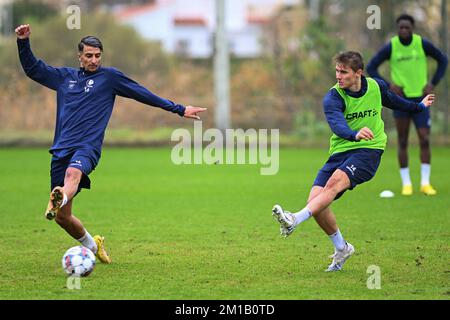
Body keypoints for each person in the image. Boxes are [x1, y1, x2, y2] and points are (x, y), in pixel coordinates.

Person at [15, 24, 206, 264]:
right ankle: (93, 245)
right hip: (61, 148)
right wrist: (23, 42)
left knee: (73, 173)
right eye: (89, 56)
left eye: (97, 56)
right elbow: (33, 69)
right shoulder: (64, 78)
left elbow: (142, 93)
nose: (94, 60)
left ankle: (60, 195)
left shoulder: (109, 78)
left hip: (87, 148)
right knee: (64, 219)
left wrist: (180, 109)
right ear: (79, 56)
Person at [272, 51, 435, 272]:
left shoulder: (376, 86)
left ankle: (294, 219)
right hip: (341, 151)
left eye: (344, 72)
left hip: (369, 151)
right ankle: (342, 248)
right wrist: (354, 134)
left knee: (333, 184)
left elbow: (395, 102)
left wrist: (420, 106)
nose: (338, 76)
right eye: (337, 71)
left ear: (358, 73)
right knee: (317, 203)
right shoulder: (333, 97)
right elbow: (337, 124)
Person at [367, 14, 448, 196]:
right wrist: (389, 86)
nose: (404, 30)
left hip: (421, 100)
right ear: (398, 29)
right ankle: (407, 184)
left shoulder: (422, 44)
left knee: (424, 138)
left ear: (412, 28)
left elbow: (443, 60)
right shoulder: (392, 46)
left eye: (407, 27)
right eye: (401, 28)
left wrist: (432, 83)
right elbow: (372, 67)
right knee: (402, 140)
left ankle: (425, 183)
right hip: (401, 101)